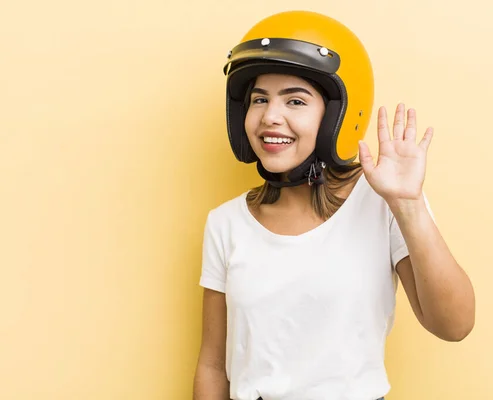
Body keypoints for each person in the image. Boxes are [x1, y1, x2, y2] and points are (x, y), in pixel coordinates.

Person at [193, 10, 475, 400]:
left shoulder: (382, 203)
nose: (270, 117)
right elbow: (211, 363)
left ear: (336, 116)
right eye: (260, 99)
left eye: (295, 100)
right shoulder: (225, 223)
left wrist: (408, 206)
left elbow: (454, 325)